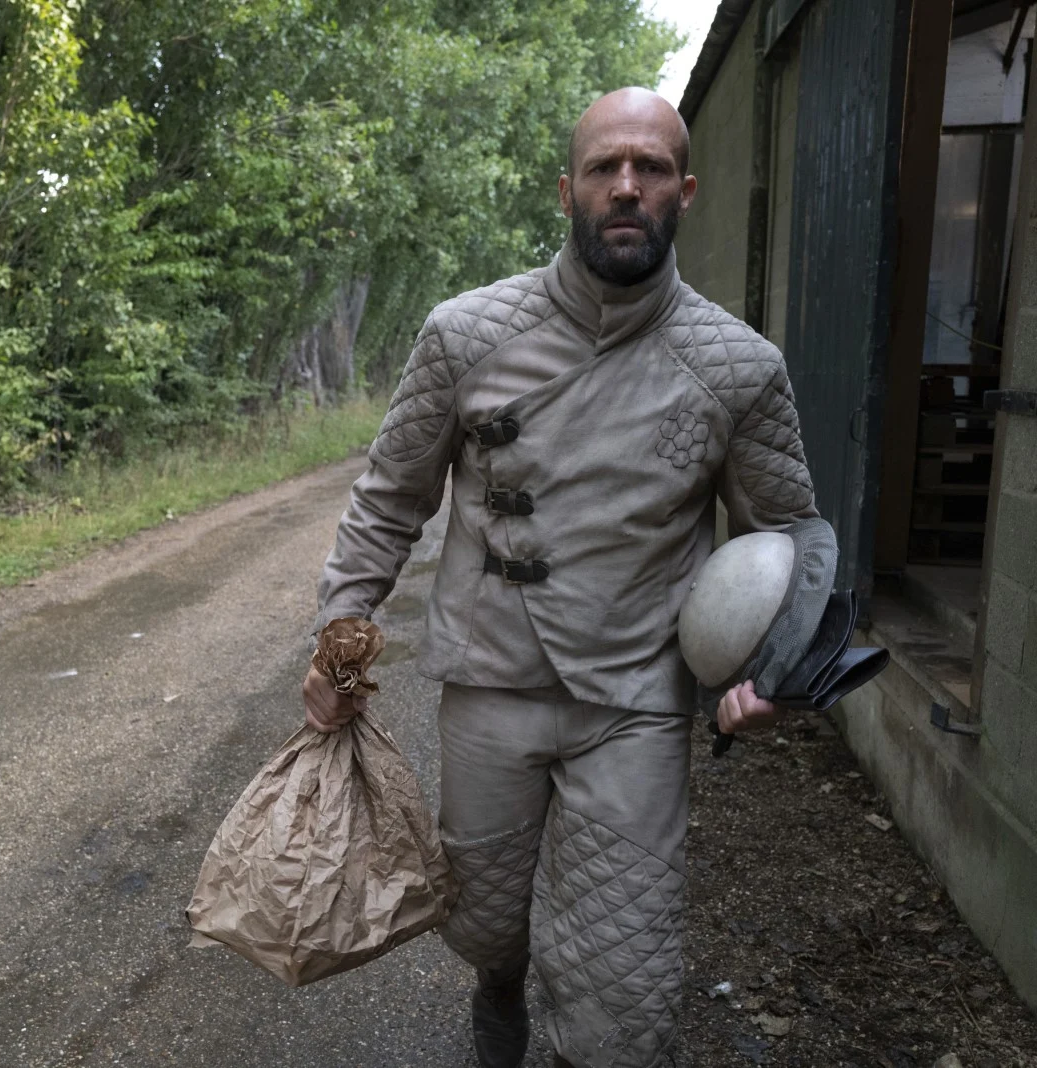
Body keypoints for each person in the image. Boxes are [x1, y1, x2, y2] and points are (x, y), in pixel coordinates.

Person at [300, 88, 819, 1068]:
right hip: (491, 681)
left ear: (685, 190)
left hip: (634, 699)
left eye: (651, 169)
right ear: (568, 189)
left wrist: (778, 671)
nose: (626, 187)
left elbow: (791, 538)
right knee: (487, 924)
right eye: (603, 168)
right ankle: (499, 993)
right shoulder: (464, 335)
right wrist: (342, 637)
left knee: (621, 975)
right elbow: (388, 499)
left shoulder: (739, 368)